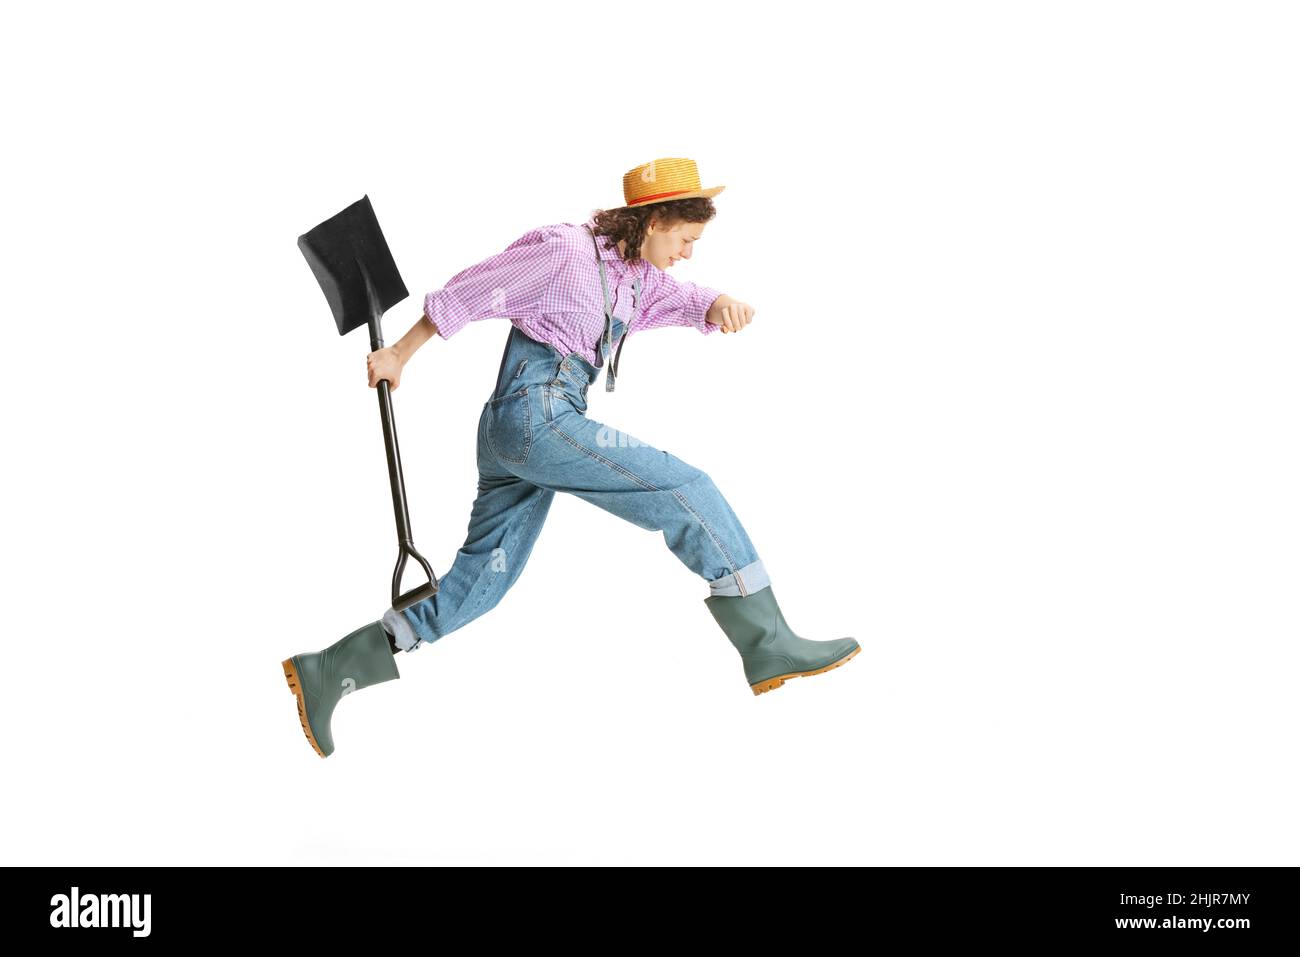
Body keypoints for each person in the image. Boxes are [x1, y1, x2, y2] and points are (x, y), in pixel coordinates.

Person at [282, 158, 859, 758]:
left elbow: (679, 298)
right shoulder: (565, 252)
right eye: (685, 239)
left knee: (483, 584)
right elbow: (472, 291)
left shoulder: (633, 277)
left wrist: (717, 305)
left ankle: (329, 668)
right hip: (536, 415)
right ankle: (766, 639)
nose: (689, 252)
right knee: (684, 488)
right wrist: (399, 352)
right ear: (655, 219)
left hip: (531, 432)